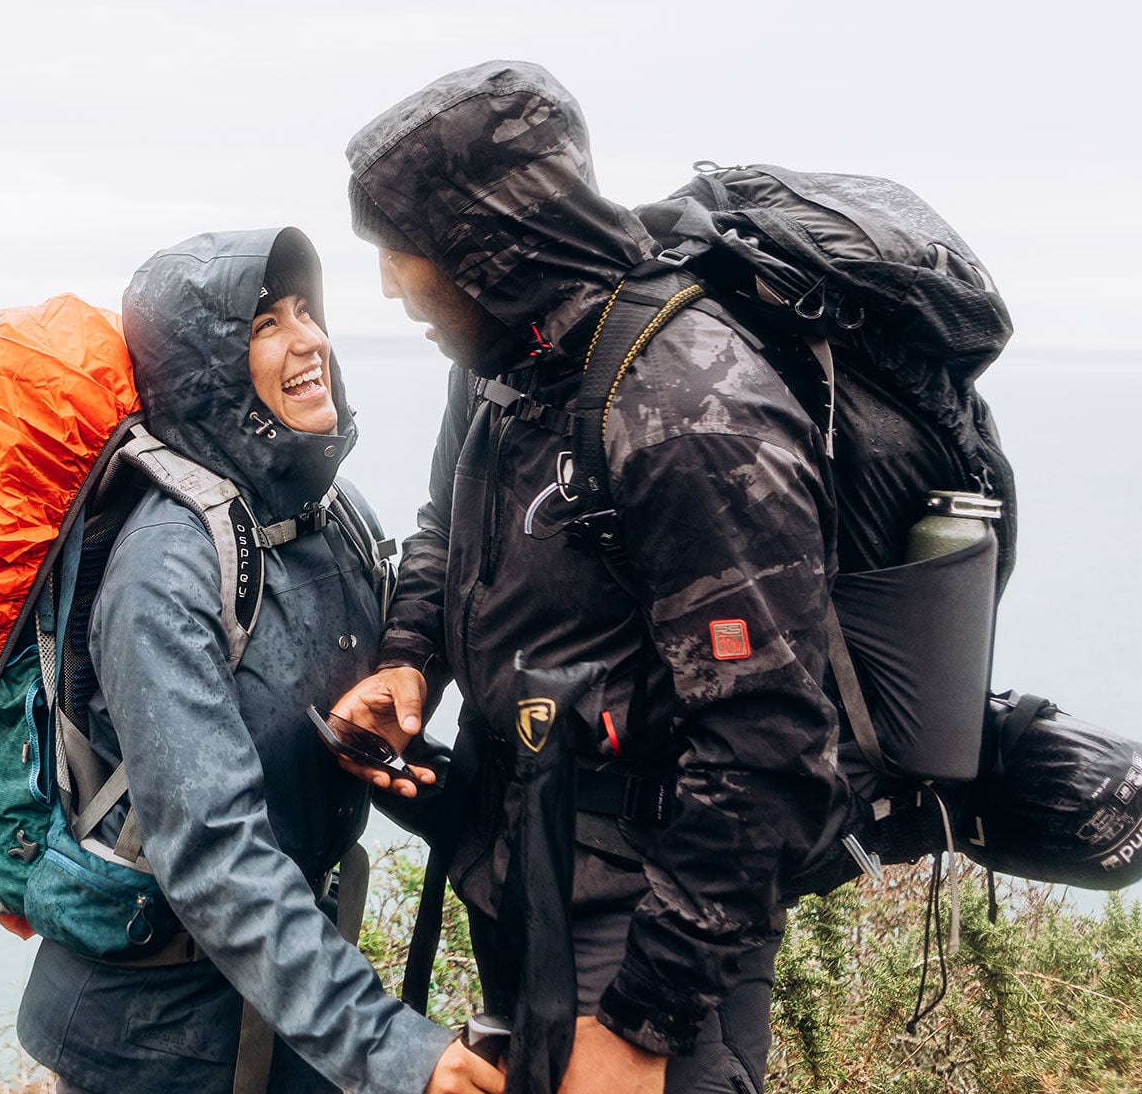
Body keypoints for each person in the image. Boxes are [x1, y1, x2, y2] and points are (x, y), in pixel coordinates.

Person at [329, 62, 853, 1094]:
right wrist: (410, 660)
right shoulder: (502, 357)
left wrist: (641, 1020)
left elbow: (773, 745)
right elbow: (450, 527)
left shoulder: (689, 405)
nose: (390, 282)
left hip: (645, 920)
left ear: (487, 243)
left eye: (404, 252)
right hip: (525, 862)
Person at [16, 227, 503, 1094]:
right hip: (153, 1044)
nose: (311, 339)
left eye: (307, 311)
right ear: (205, 367)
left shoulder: (326, 511)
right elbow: (213, 852)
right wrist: (397, 1052)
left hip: (284, 1014)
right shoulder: (167, 567)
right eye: (263, 325)